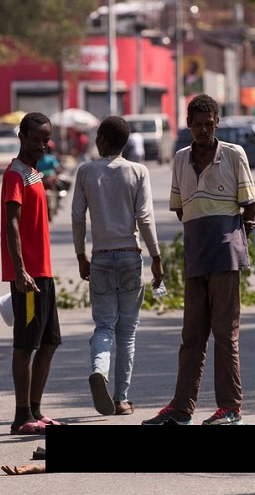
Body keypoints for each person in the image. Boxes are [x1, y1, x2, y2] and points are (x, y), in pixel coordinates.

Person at [142, 94, 255, 426]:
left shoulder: (234, 155)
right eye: (198, 125)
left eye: (210, 124)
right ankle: (181, 408)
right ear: (189, 124)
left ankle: (230, 407)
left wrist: (235, 237)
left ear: (217, 122)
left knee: (225, 334)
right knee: (191, 336)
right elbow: (180, 208)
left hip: (226, 256)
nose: (204, 130)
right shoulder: (180, 159)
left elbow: (250, 205)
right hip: (196, 255)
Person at [71, 116, 164, 416]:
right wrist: (156, 257)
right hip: (129, 255)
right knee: (128, 331)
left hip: (100, 256)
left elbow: (77, 218)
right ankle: (122, 399)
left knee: (104, 325)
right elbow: (145, 218)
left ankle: (100, 368)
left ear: (100, 139)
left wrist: (80, 256)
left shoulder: (86, 172)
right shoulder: (138, 171)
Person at [1, 112, 65, 434]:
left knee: (50, 341)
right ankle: (21, 416)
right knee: (25, 345)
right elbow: (12, 221)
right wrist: (19, 270)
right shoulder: (15, 174)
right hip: (27, 275)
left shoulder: (35, 174)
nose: (42, 145)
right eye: (36, 138)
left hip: (44, 272)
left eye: (46, 139)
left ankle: (36, 411)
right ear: (22, 137)